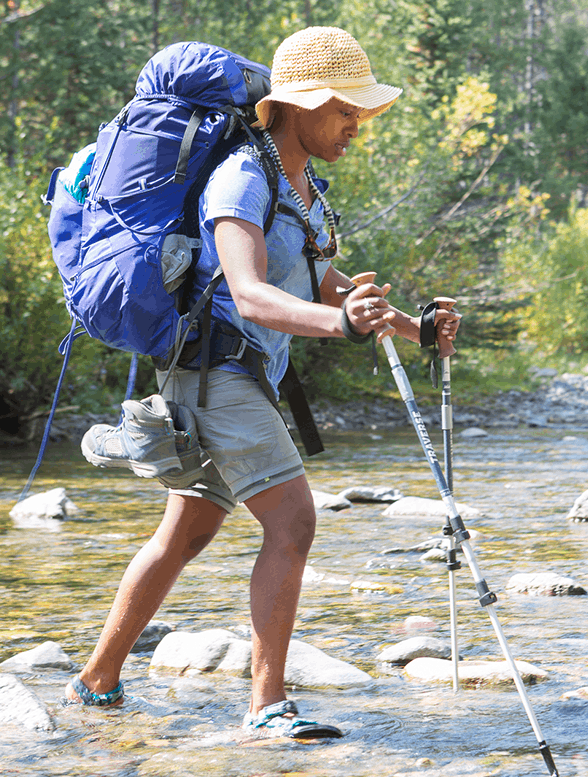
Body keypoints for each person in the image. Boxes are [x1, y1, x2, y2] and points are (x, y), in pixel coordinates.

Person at [64, 27, 460, 738]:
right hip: (217, 373)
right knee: (294, 522)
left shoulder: (298, 182)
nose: (355, 125)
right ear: (300, 104)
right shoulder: (242, 176)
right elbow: (248, 292)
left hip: (230, 379)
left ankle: (95, 682)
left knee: (184, 534)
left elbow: (319, 275)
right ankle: (266, 704)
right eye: (345, 110)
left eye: (359, 112)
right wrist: (339, 325)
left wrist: (412, 326)